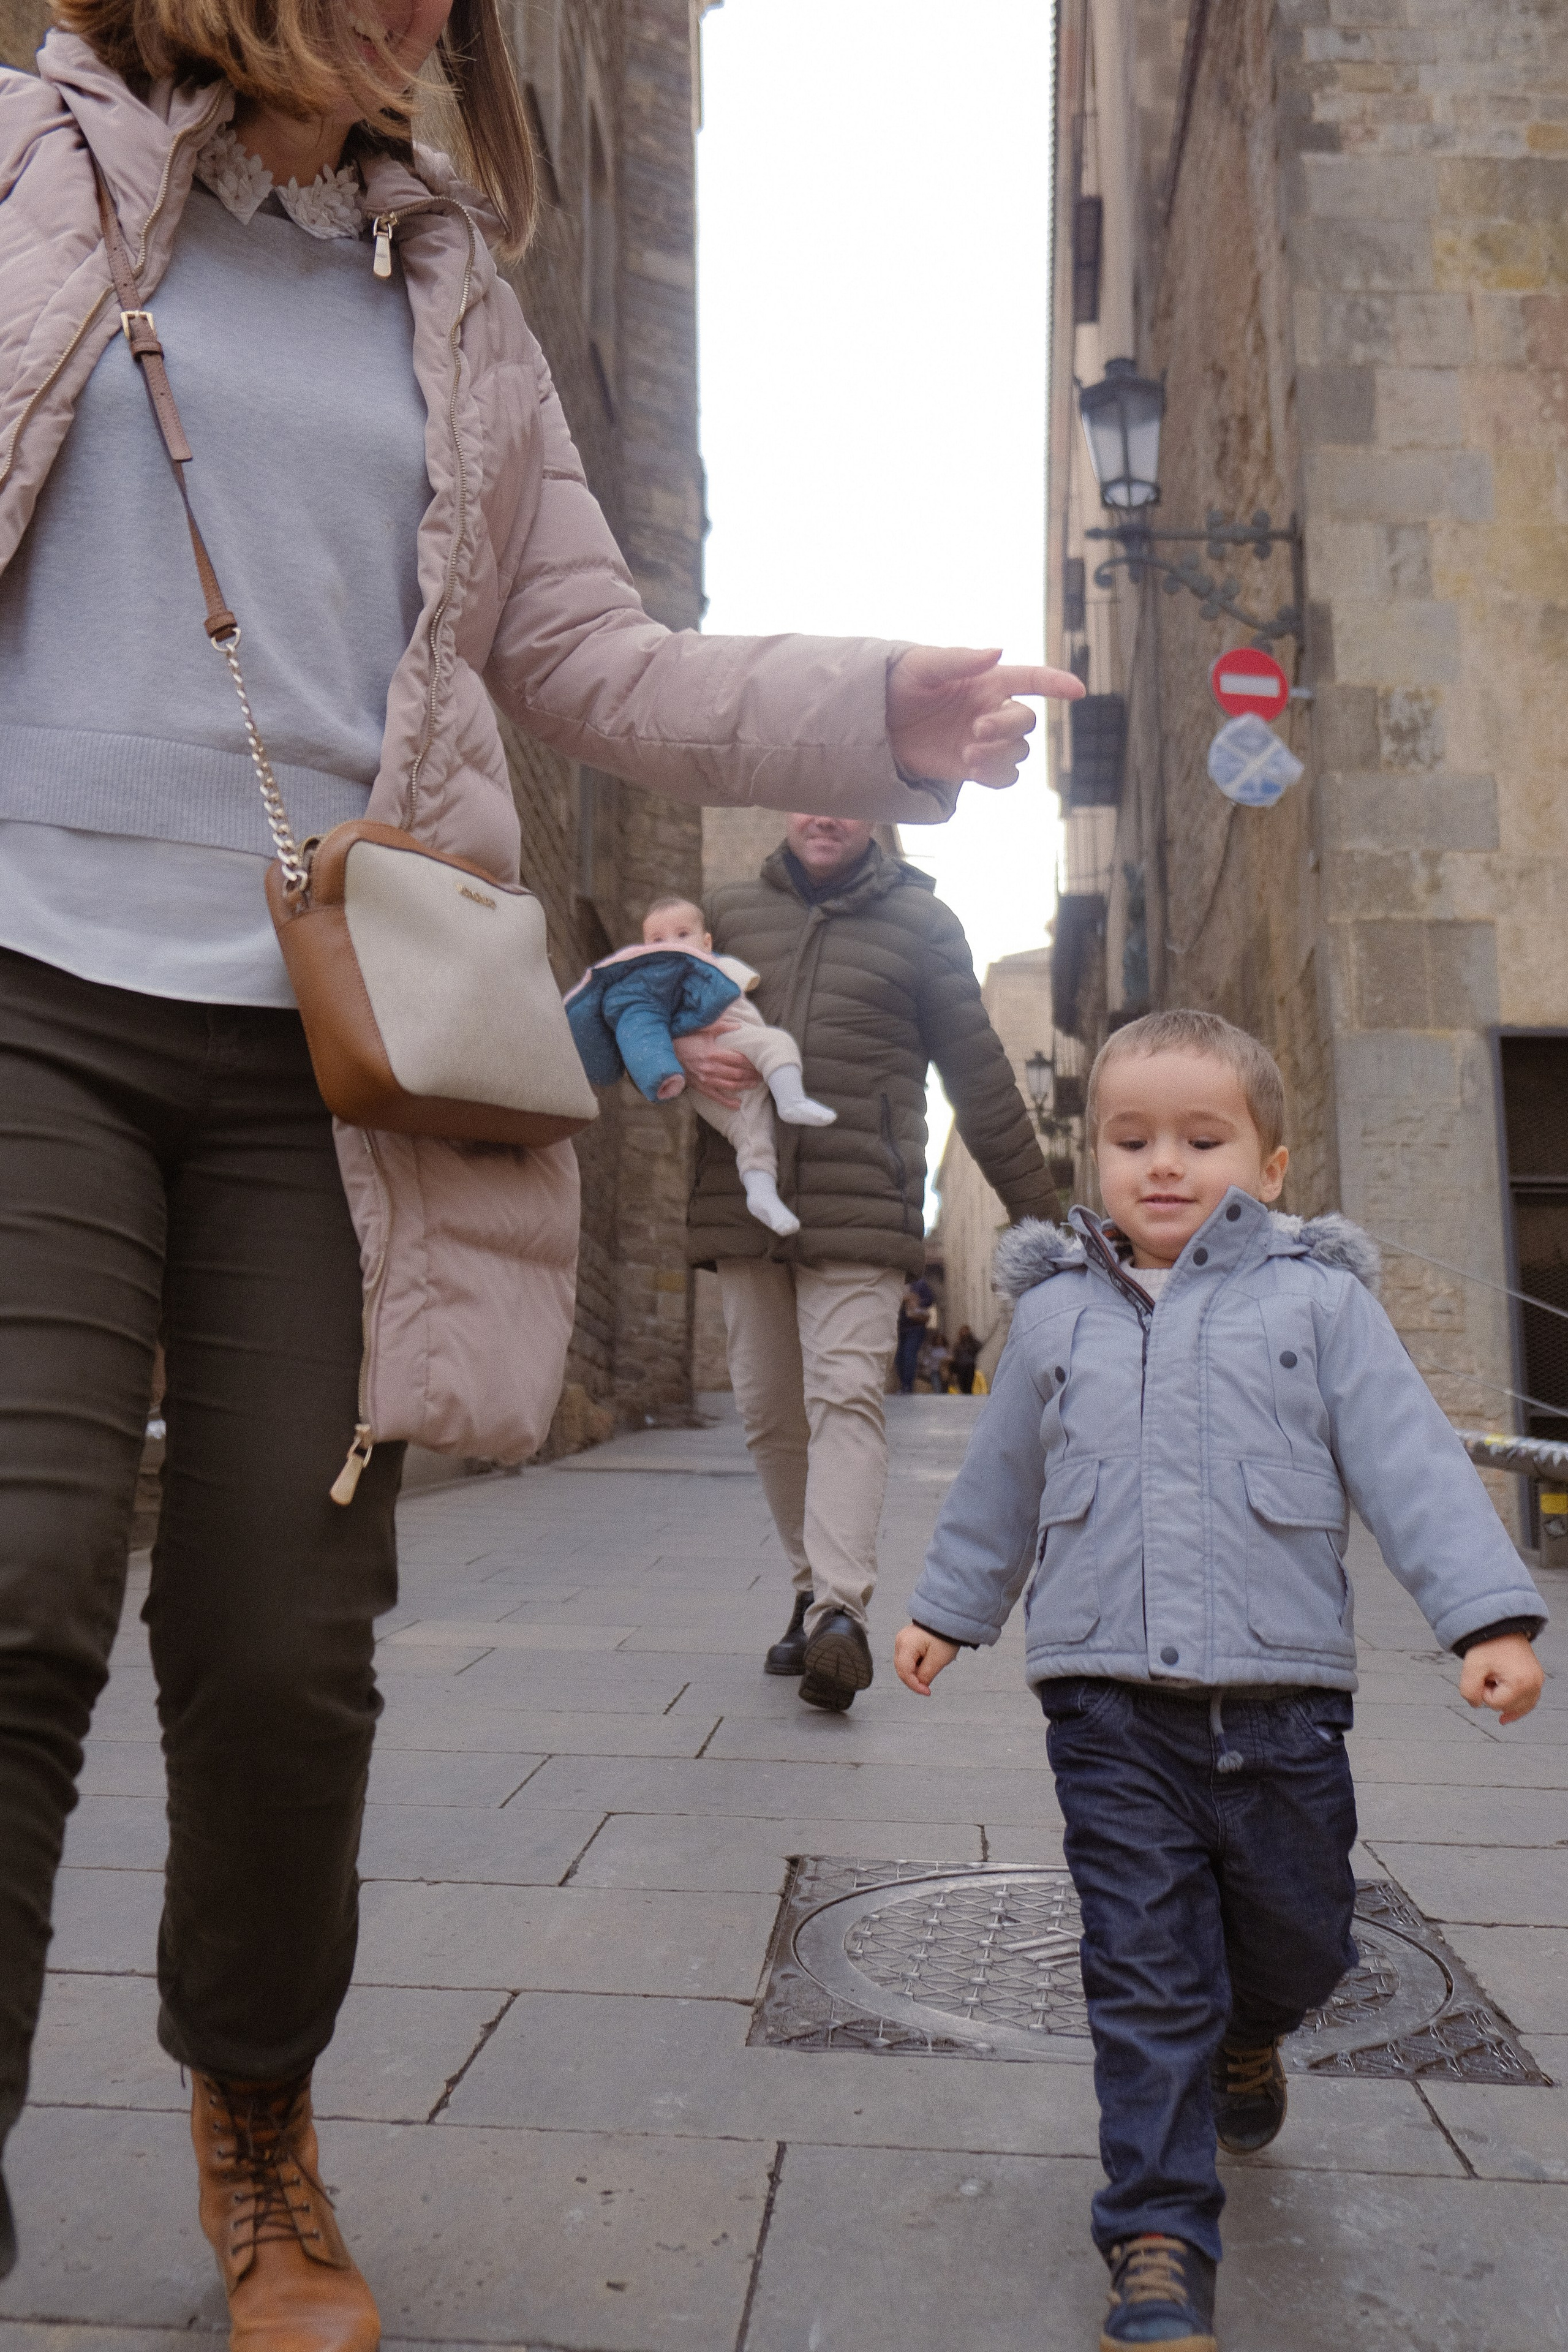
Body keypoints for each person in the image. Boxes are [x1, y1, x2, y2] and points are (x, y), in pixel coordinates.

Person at [0, 1, 1085, 2331]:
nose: (429, 21)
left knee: (290, 1646)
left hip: (340, 1038)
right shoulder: (28, 163)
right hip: (24, 988)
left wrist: (861, 709)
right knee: (14, 1574)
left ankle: (259, 2114)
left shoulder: (449, 297)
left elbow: (583, 648)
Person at [895, 1009, 1547, 2352]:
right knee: (1142, 1971)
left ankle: (1256, 2032)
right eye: (1130, 1140)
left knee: (1302, 1937)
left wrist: (1485, 1619)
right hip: (1107, 1707)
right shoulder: (1056, 1311)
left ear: (1271, 1163)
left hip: (1283, 1703)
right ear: (1096, 1162)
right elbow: (999, 1484)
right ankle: (1153, 2242)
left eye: (1202, 1139)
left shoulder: (1319, 1303)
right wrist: (948, 1612)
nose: (1163, 1165)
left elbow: (1411, 1467)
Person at [680, 812, 1059, 1713]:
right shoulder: (726, 913)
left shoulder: (923, 925)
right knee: (771, 1409)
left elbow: (978, 1074)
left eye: (847, 797)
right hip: (745, 1198)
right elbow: (644, 1014)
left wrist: (1044, 1216)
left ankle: (840, 1615)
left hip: (865, 1206)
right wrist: (683, 1048)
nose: (824, 814)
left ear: (875, 813)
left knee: (845, 1392)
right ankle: (811, 1584)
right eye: (808, 795)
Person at [565, 895, 835, 1238]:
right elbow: (640, 1028)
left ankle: (780, 1132)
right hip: (712, 1066)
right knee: (758, 1102)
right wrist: (668, 1065)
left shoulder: (715, 965)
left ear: (706, 943)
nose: (671, 946)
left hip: (742, 1043)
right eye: (658, 941)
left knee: (766, 1080)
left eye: (682, 935)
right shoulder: (651, 982)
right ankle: (774, 1155)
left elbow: (744, 980)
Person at [895, 1276, 935, 1393]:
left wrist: (917, 1302)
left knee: (909, 1354)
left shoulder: (919, 1283)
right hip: (899, 1327)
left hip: (916, 1326)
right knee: (899, 1357)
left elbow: (930, 1299)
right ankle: (903, 1384)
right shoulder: (896, 1281)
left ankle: (907, 1386)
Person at [950, 1323, 983, 1395]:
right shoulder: (959, 1343)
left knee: (969, 1383)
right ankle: (964, 1395)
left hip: (970, 1365)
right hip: (961, 1366)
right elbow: (955, 1354)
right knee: (962, 1382)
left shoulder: (972, 1342)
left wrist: (971, 1337)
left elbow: (979, 1346)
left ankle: (968, 1396)